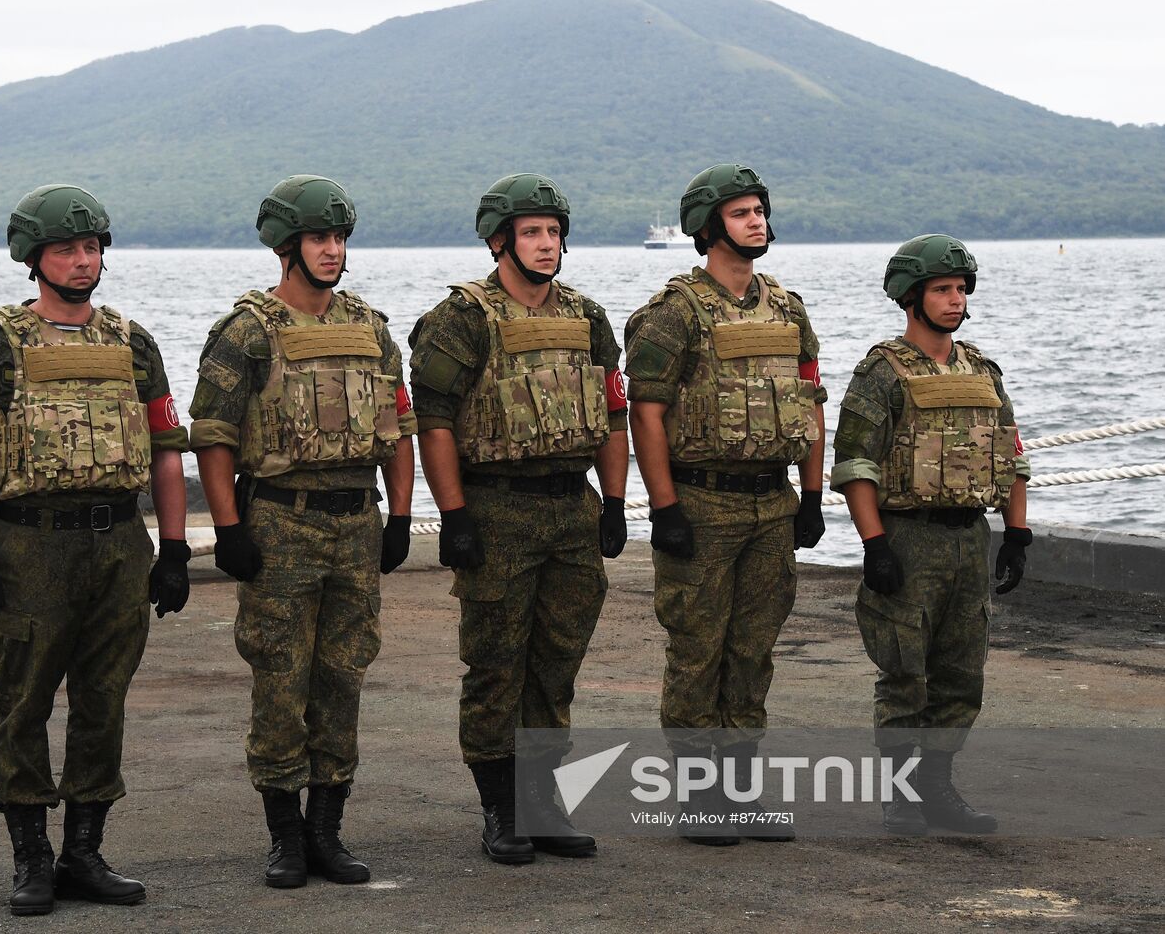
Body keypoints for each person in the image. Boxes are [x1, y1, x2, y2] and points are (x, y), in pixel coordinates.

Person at [0, 184, 191, 915]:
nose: (83, 261)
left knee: (103, 701)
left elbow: (168, 450)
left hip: (118, 542)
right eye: (66, 250)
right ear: (33, 258)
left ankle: (84, 851)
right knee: (24, 701)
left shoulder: (132, 343)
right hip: (29, 547)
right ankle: (31, 857)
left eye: (92, 247)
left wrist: (175, 550)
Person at [189, 175, 415, 888]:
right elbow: (214, 437)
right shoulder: (247, 331)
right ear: (287, 247)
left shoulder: (372, 328)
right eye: (319, 238)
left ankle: (327, 832)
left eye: (340, 238)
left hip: (355, 521)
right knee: (280, 680)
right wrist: (228, 528)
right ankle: (285, 837)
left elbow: (400, 428)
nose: (332, 250)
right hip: (281, 520)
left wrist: (402, 516)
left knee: (344, 676)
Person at [408, 173, 629, 865]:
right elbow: (434, 421)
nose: (545, 244)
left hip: (570, 507)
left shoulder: (587, 317)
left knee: (555, 667)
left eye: (553, 232)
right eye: (531, 233)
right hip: (497, 508)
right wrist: (453, 515)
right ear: (500, 240)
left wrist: (618, 502)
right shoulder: (462, 319)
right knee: (496, 665)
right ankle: (500, 811)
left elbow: (613, 414)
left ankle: (543, 803)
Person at [625, 164, 826, 846]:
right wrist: (663, 507)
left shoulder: (788, 309)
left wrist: (813, 494)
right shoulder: (672, 313)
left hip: (771, 503)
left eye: (760, 211)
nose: (757, 222)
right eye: (741, 214)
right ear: (708, 229)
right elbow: (645, 415)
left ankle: (739, 795)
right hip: (703, 504)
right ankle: (699, 797)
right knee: (697, 653)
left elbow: (810, 402)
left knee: (752, 653)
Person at [831, 234, 1031, 836]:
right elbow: (855, 464)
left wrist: (1016, 533)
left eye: (961, 289)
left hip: (969, 538)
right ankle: (899, 798)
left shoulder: (982, 371)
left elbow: (1013, 457)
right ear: (910, 296)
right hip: (909, 537)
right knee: (903, 673)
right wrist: (874, 544)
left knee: (961, 674)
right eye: (942, 289)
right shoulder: (881, 373)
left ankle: (937, 789)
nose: (955, 300)